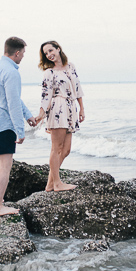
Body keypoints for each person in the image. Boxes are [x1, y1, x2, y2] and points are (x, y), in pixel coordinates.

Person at [0, 36, 38, 216]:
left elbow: (9, 97)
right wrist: (20, 131)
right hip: (2, 125)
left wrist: (27, 114)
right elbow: (12, 103)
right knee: (5, 166)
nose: (23, 58)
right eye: (23, 54)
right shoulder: (12, 72)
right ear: (17, 52)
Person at [35, 40, 85, 192]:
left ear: (58, 49)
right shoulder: (49, 73)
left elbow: (78, 88)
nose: (49, 54)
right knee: (56, 148)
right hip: (57, 108)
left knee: (66, 149)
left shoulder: (71, 66)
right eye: (46, 53)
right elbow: (46, 95)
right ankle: (57, 183)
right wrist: (41, 114)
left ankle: (50, 183)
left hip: (71, 109)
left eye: (51, 50)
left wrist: (81, 109)